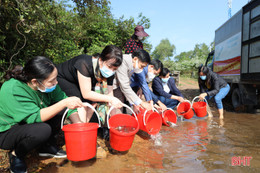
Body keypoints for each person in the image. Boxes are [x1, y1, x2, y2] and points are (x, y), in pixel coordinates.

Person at [0, 56, 84, 173]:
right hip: (8, 130)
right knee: (42, 130)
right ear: (35, 81)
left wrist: (78, 124)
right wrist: (64, 103)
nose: (56, 82)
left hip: (31, 123)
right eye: (51, 81)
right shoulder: (13, 89)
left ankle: (46, 146)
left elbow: (64, 100)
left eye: (55, 78)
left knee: (62, 109)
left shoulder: (48, 85)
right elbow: (35, 117)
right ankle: (17, 154)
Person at [57, 45, 124, 123]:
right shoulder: (84, 63)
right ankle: (80, 126)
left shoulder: (110, 73)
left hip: (84, 82)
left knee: (93, 103)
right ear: (101, 59)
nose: (111, 71)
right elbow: (87, 94)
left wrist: (114, 118)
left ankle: (85, 126)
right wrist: (111, 99)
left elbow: (110, 95)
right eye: (109, 67)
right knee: (80, 103)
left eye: (115, 69)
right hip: (66, 79)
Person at [113, 49, 153, 113]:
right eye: (141, 66)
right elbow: (125, 86)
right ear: (135, 59)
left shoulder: (132, 65)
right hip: (110, 86)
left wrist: (135, 103)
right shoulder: (124, 61)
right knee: (108, 110)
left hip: (118, 88)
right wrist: (141, 103)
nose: (141, 69)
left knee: (118, 110)